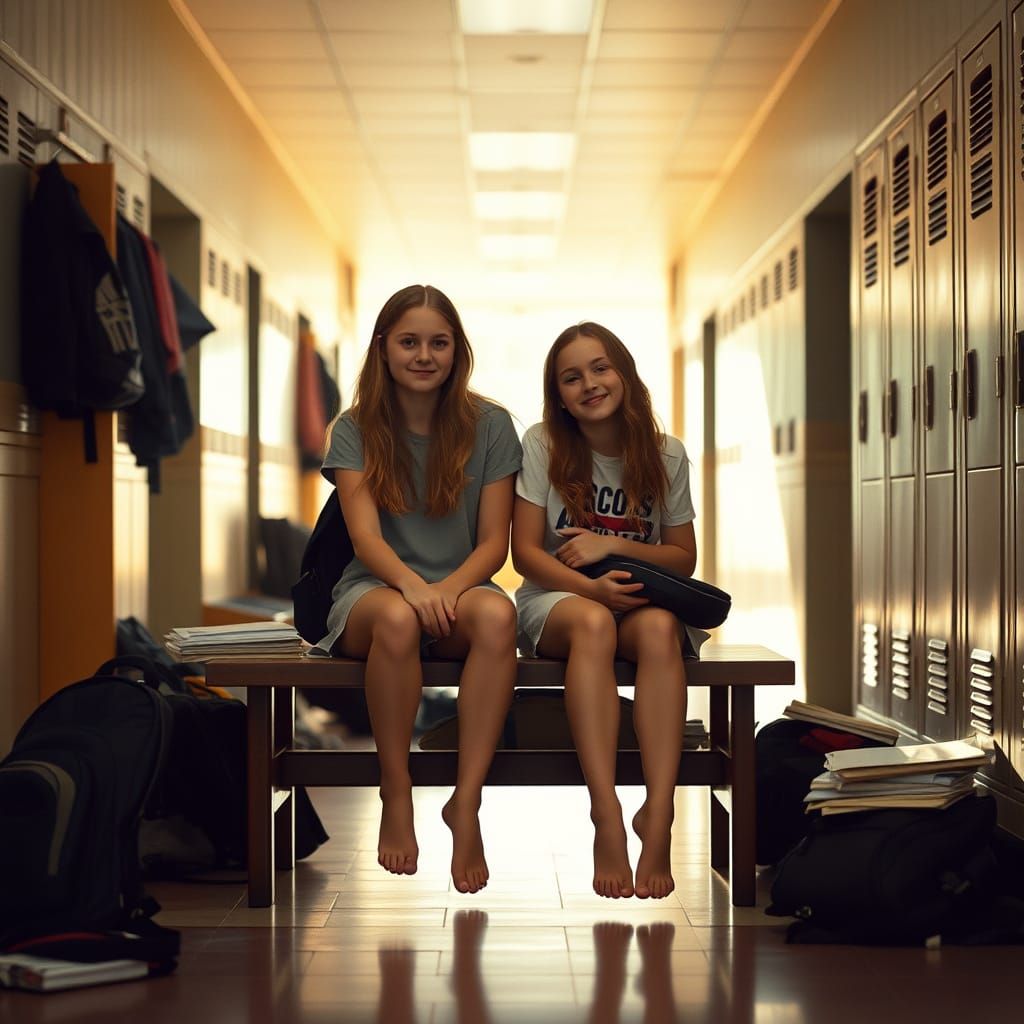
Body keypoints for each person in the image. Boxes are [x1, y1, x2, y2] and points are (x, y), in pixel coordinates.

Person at [319, 284, 522, 893]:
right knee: (399, 621)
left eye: (440, 342)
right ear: (383, 348)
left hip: (461, 587)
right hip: (375, 590)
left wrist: (450, 590)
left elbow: (494, 545)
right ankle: (397, 790)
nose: (425, 355)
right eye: (410, 342)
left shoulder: (490, 425)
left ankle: (466, 801)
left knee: (497, 619)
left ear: (458, 350)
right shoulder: (353, 428)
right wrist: (413, 588)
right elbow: (366, 542)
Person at [511, 322, 707, 899]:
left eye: (600, 368)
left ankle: (661, 813)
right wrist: (590, 589)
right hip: (559, 601)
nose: (589, 384)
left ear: (624, 372)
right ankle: (607, 815)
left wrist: (614, 545)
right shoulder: (544, 444)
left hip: (638, 600)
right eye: (571, 377)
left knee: (662, 630)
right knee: (594, 622)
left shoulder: (665, 453)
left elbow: (683, 558)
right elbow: (524, 553)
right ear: (558, 393)